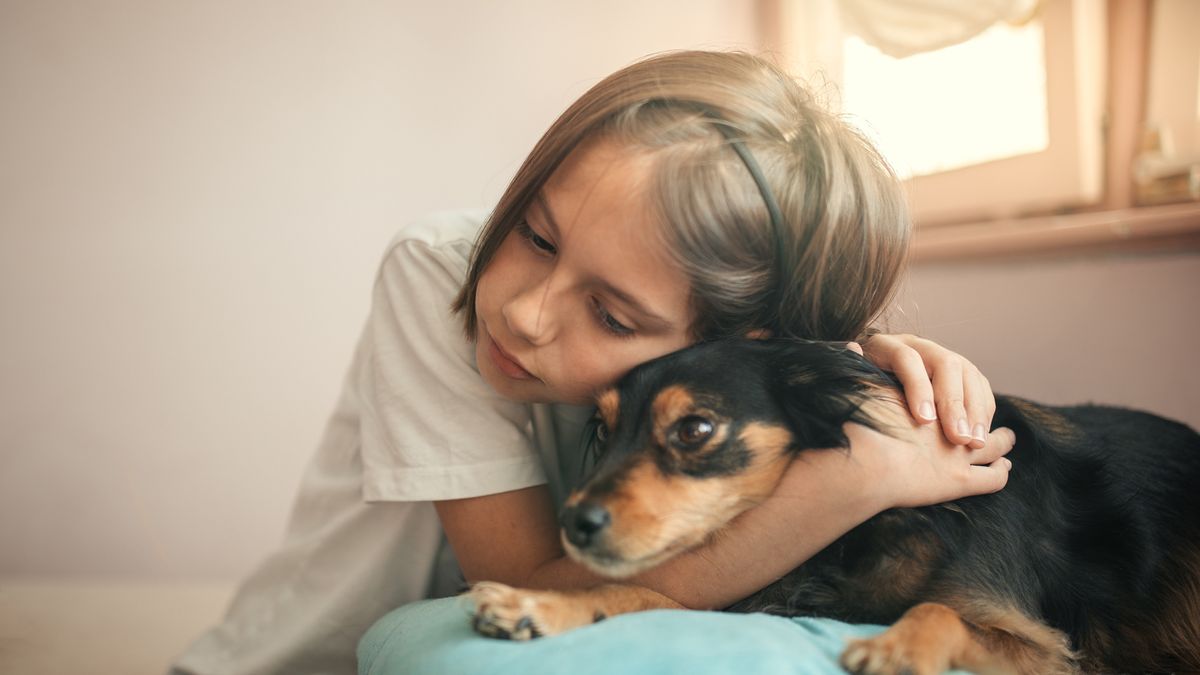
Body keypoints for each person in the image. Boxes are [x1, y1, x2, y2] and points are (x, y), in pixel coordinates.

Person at [171, 50, 1014, 675]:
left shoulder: (739, 376)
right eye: (537, 235)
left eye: (610, 313)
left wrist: (876, 370)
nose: (524, 311)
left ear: (727, 350)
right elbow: (527, 586)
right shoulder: (434, 273)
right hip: (297, 658)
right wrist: (856, 481)